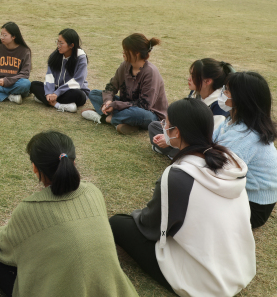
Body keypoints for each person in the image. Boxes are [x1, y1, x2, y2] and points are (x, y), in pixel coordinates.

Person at [109, 98, 255, 296]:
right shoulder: (229, 161)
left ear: (176, 132)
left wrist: (137, 214)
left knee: (118, 223)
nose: (163, 126)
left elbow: (151, 227)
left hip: (205, 283)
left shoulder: (179, 176)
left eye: (166, 123)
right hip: (238, 269)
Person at [0, 131, 138, 297]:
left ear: (35, 167)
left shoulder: (28, 209)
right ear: (73, 162)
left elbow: (1, 246)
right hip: (109, 290)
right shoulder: (93, 192)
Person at [213, 71, 277, 228]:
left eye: (227, 90)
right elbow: (210, 143)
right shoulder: (234, 122)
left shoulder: (243, 137)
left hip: (254, 207)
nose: (223, 93)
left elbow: (216, 170)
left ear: (241, 99)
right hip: (246, 194)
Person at [82, 33, 167, 134]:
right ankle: (124, 122)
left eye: (126, 50)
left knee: (136, 114)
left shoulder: (150, 72)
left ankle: (104, 119)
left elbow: (144, 105)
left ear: (136, 53)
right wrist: (108, 102)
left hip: (150, 114)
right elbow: (111, 87)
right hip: (125, 106)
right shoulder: (125, 65)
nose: (123, 52)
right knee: (94, 94)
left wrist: (116, 105)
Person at [150, 58, 234, 159]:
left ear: (207, 81)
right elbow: (182, 117)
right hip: (185, 135)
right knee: (154, 126)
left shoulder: (220, 105)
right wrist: (169, 132)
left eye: (193, 76)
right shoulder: (196, 92)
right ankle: (175, 152)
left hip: (202, 145)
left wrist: (171, 140)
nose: (189, 78)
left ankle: (176, 152)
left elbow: (211, 139)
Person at [30, 28, 89, 113]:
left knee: (78, 94)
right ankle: (58, 104)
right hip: (55, 90)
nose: (58, 45)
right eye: (57, 42)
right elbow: (49, 76)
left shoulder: (81, 58)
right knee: (34, 85)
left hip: (72, 90)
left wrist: (57, 93)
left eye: (61, 43)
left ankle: (47, 101)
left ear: (71, 45)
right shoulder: (55, 55)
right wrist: (49, 93)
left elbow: (78, 81)